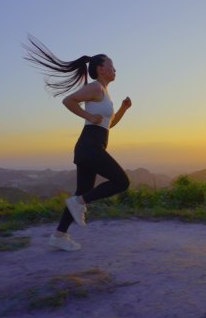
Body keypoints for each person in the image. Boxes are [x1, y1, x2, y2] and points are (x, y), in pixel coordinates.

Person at [24, 35, 131, 251]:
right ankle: (78, 204)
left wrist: (123, 109)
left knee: (81, 193)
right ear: (101, 68)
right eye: (112, 65)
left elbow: (108, 125)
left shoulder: (104, 93)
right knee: (121, 181)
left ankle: (58, 236)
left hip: (91, 147)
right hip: (89, 147)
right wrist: (87, 116)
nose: (115, 69)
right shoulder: (96, 88)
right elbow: (68, 100)